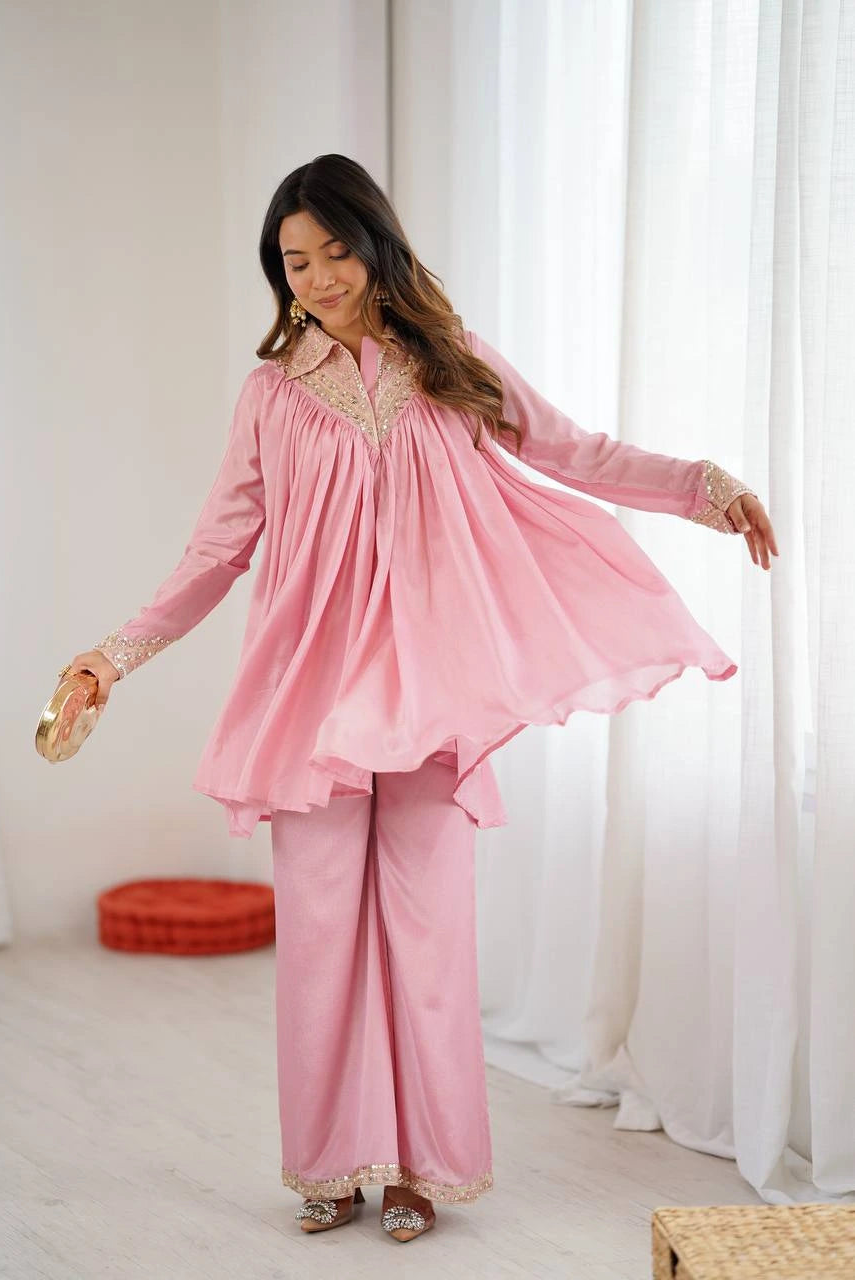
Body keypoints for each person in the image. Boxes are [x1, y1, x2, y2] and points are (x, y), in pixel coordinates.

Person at [62, 153, 779, 1243]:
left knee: (427, 928)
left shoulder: (449, 363)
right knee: (316, 933)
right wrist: (111, 657)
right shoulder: (272, 395)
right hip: (311, 697)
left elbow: (574, 452)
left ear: (374, 242)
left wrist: (702, 486)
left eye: (332, 250)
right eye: (292, 261)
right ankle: (329, 1163)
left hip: (433, 693)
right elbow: (218, 548)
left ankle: (421, 1170)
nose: (314, 276)